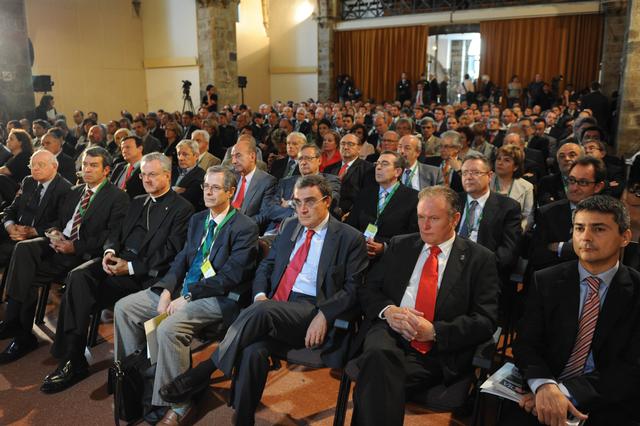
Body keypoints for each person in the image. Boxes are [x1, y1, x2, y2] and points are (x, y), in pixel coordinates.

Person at [159, 175, 369, 425]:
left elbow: (353, 289)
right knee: (252, 350)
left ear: (327, 201)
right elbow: (266, 267)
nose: (302, 209)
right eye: (297, 202)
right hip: (274, 309)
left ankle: (203, 372)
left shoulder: (349, 237)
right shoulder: (290, 226)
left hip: (313, 311)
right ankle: (243, 418)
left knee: (263, 311)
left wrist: (325, 314)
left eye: (310, 201)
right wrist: (259, 294)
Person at [111, 165, 258, 423]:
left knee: (169, 328)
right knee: (125, 308)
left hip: (218, 297)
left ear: (230, 192)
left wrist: (188, 296)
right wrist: (167, 289)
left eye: (215, 187)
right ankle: (135, 383)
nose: (208, 192)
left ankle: (175, 401)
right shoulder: (198, 219)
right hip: (183, 289)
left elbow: (231, 276)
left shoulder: (244, 227)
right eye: (205, 186)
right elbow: (181, 259)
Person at [40, 153, 194, 394]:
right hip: (117, 263)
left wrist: (129, 267)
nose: (147, 180)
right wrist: (109, 252)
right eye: (143, 175)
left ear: (167, 175)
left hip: (143, 274)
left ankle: (78, 361)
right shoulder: (137, 201)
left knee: (80, 293)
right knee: (78, 277)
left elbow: (170, 252)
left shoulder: (183, 208)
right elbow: (115, 232)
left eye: (153, 175)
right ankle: (73, 357)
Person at [351, 185, 500, 425]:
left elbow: (485, 320)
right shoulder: (400, 245)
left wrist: (434, 331)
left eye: (433, 218)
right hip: (389, 331)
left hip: (435, 349)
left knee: (376, 374)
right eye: (421, 217)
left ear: (455, 219)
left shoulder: (480, 259)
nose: (424, 225)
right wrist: (389, 311)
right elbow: (369, 289)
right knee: (379, 356)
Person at [502, 195, 639, 425]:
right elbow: (526, 344)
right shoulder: (545, 280)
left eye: (598, 229)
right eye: (579, 228)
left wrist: (564, 393)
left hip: (607, 401)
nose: (586, 237)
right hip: (544, 387)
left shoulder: (636, 292)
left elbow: (631, 368)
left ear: (625, 237)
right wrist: (545, 386)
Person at [0, 147, 130, 364]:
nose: (87, 169)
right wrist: (54, 232)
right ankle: (19, 330)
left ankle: (20, 332)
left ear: (106, 170)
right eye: (85, 164)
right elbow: (59, 221)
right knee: (23, 250)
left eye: (94, 165)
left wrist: (75, 246)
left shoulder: (118, 197)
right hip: (59, 244)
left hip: (83, 253)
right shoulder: (75, 191)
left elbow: (110, 236)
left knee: (27, 275)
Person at [530, 156, 606, 272]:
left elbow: (603, 255)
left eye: (583, 182)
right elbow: (537, 256)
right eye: (571, 180)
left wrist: (562, 248)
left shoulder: (607, 216)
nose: (574, 188)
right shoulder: (547, 213)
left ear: (598, 187)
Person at [458, 153, 522, 283]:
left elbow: (508, 253)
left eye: (475, 173)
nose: (468, 177)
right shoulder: (453, 201)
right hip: (452, 269)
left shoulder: (508, 207)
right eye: (464, 173)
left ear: (490, 176)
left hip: (486, 273)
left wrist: (477, 269)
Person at [0, 150, 72, 265]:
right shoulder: (28, 181)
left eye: (41, 165)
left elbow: (61, 223)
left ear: (54, 167)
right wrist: (10, 227)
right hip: (15, 230)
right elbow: (12, 209)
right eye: (32, 165)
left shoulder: (65, 189)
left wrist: (32, 231)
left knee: (7, 250)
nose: (35, 168)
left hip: (38, 237)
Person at [347, 151, 418, 260]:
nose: (378, 167)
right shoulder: (365, 193)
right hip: (360, 254)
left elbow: (412, 236)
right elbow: (351, 225)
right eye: (377, 163)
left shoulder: (413, 198)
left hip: (392, 258)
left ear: (397, 172)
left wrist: (384, 247)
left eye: (384, 164)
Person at [262, 143, 341, 232]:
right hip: (275, 230)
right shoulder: (286, 182)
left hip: (309, 230)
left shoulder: (330, 180)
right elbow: (271, 210)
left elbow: (327, 204)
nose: (303, 162)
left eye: (308, 158)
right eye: (300, 159)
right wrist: (295, 213)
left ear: (319, 160)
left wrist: (290, 203)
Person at [230, 135, 277, 229]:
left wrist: (240, 226)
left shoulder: (267, 182)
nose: (233, 161)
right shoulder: (230, 175)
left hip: (245, 229)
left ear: (252, 156)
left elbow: (264, 215)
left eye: (238, 156)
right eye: (232, 156)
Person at [324, 133, 375, 216]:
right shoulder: (329, 169)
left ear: (359, 148)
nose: (345, 147)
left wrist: (352, 213)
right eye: (343, 144)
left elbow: (366, 197)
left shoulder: (368, 168)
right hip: (328, 213)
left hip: (352, 215)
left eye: (350, 144)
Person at [491, 145, 535, 231]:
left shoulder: (527, 187)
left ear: (515, 167)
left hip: (513, 232)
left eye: (506, 160)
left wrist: (515, 233)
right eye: (498, 159)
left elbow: (528, 217)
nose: (500, 163)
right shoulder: (485, 180)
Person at [172, 139, 206, 211]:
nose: (180, 158)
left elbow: (187, 199)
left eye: (185, 154)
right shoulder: (172, 170)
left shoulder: (201, 175)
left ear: (196, 156)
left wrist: (169, 190)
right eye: (178, 154)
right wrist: (175, 191)